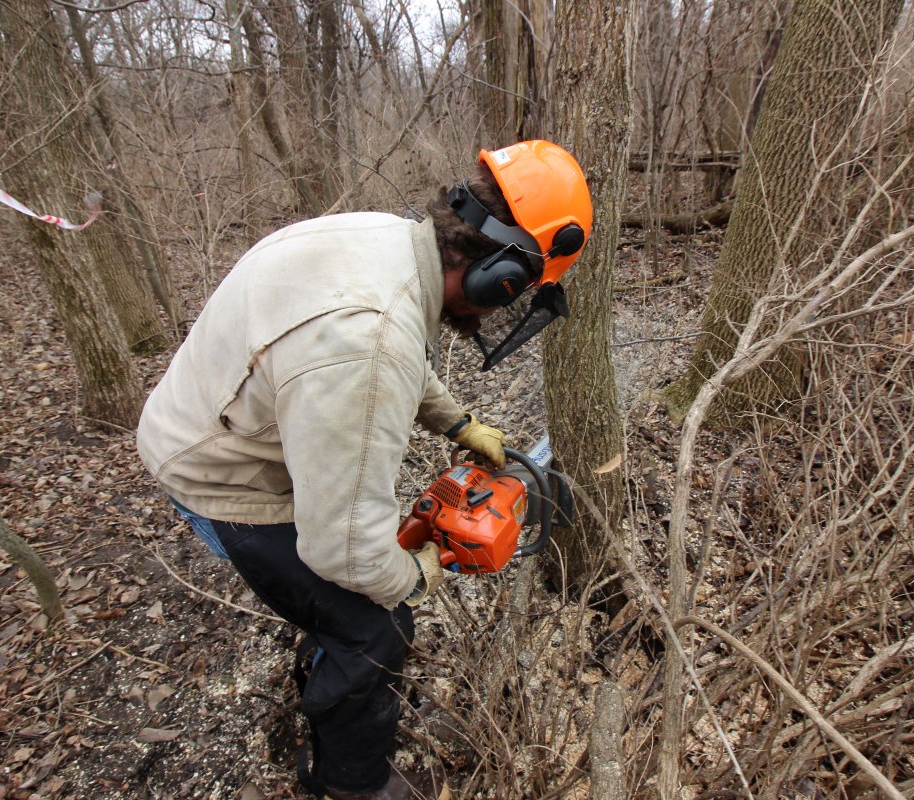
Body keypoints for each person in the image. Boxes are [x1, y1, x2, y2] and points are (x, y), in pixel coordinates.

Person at [136, 140, 592, 800]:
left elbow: (387, 341)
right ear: (504, 278)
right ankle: (351, 785)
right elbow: (342, 548)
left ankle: (326, 672)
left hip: (208, 417)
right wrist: (416, 576)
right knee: (375, 625)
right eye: (512, 297)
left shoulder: (389, 243)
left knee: (347, 605)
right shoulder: (370, 344)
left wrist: (456, 422)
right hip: (216, 475)